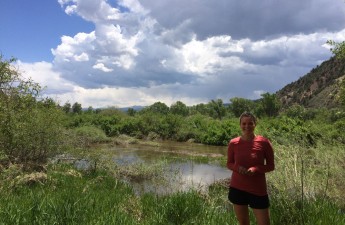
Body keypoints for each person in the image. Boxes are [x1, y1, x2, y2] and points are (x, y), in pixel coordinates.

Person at [227, 112, 275, 225]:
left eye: (250, 123)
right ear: (240, 125)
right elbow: (229, 163)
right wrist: (237, 168)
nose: (247, 126)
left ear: (255, 124)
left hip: (258, 190)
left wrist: (256, 169)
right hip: (237, 188)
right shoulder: (233, 143)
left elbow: (271, 166)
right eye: (244, 123)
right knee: (243, 223)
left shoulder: (264, 142)